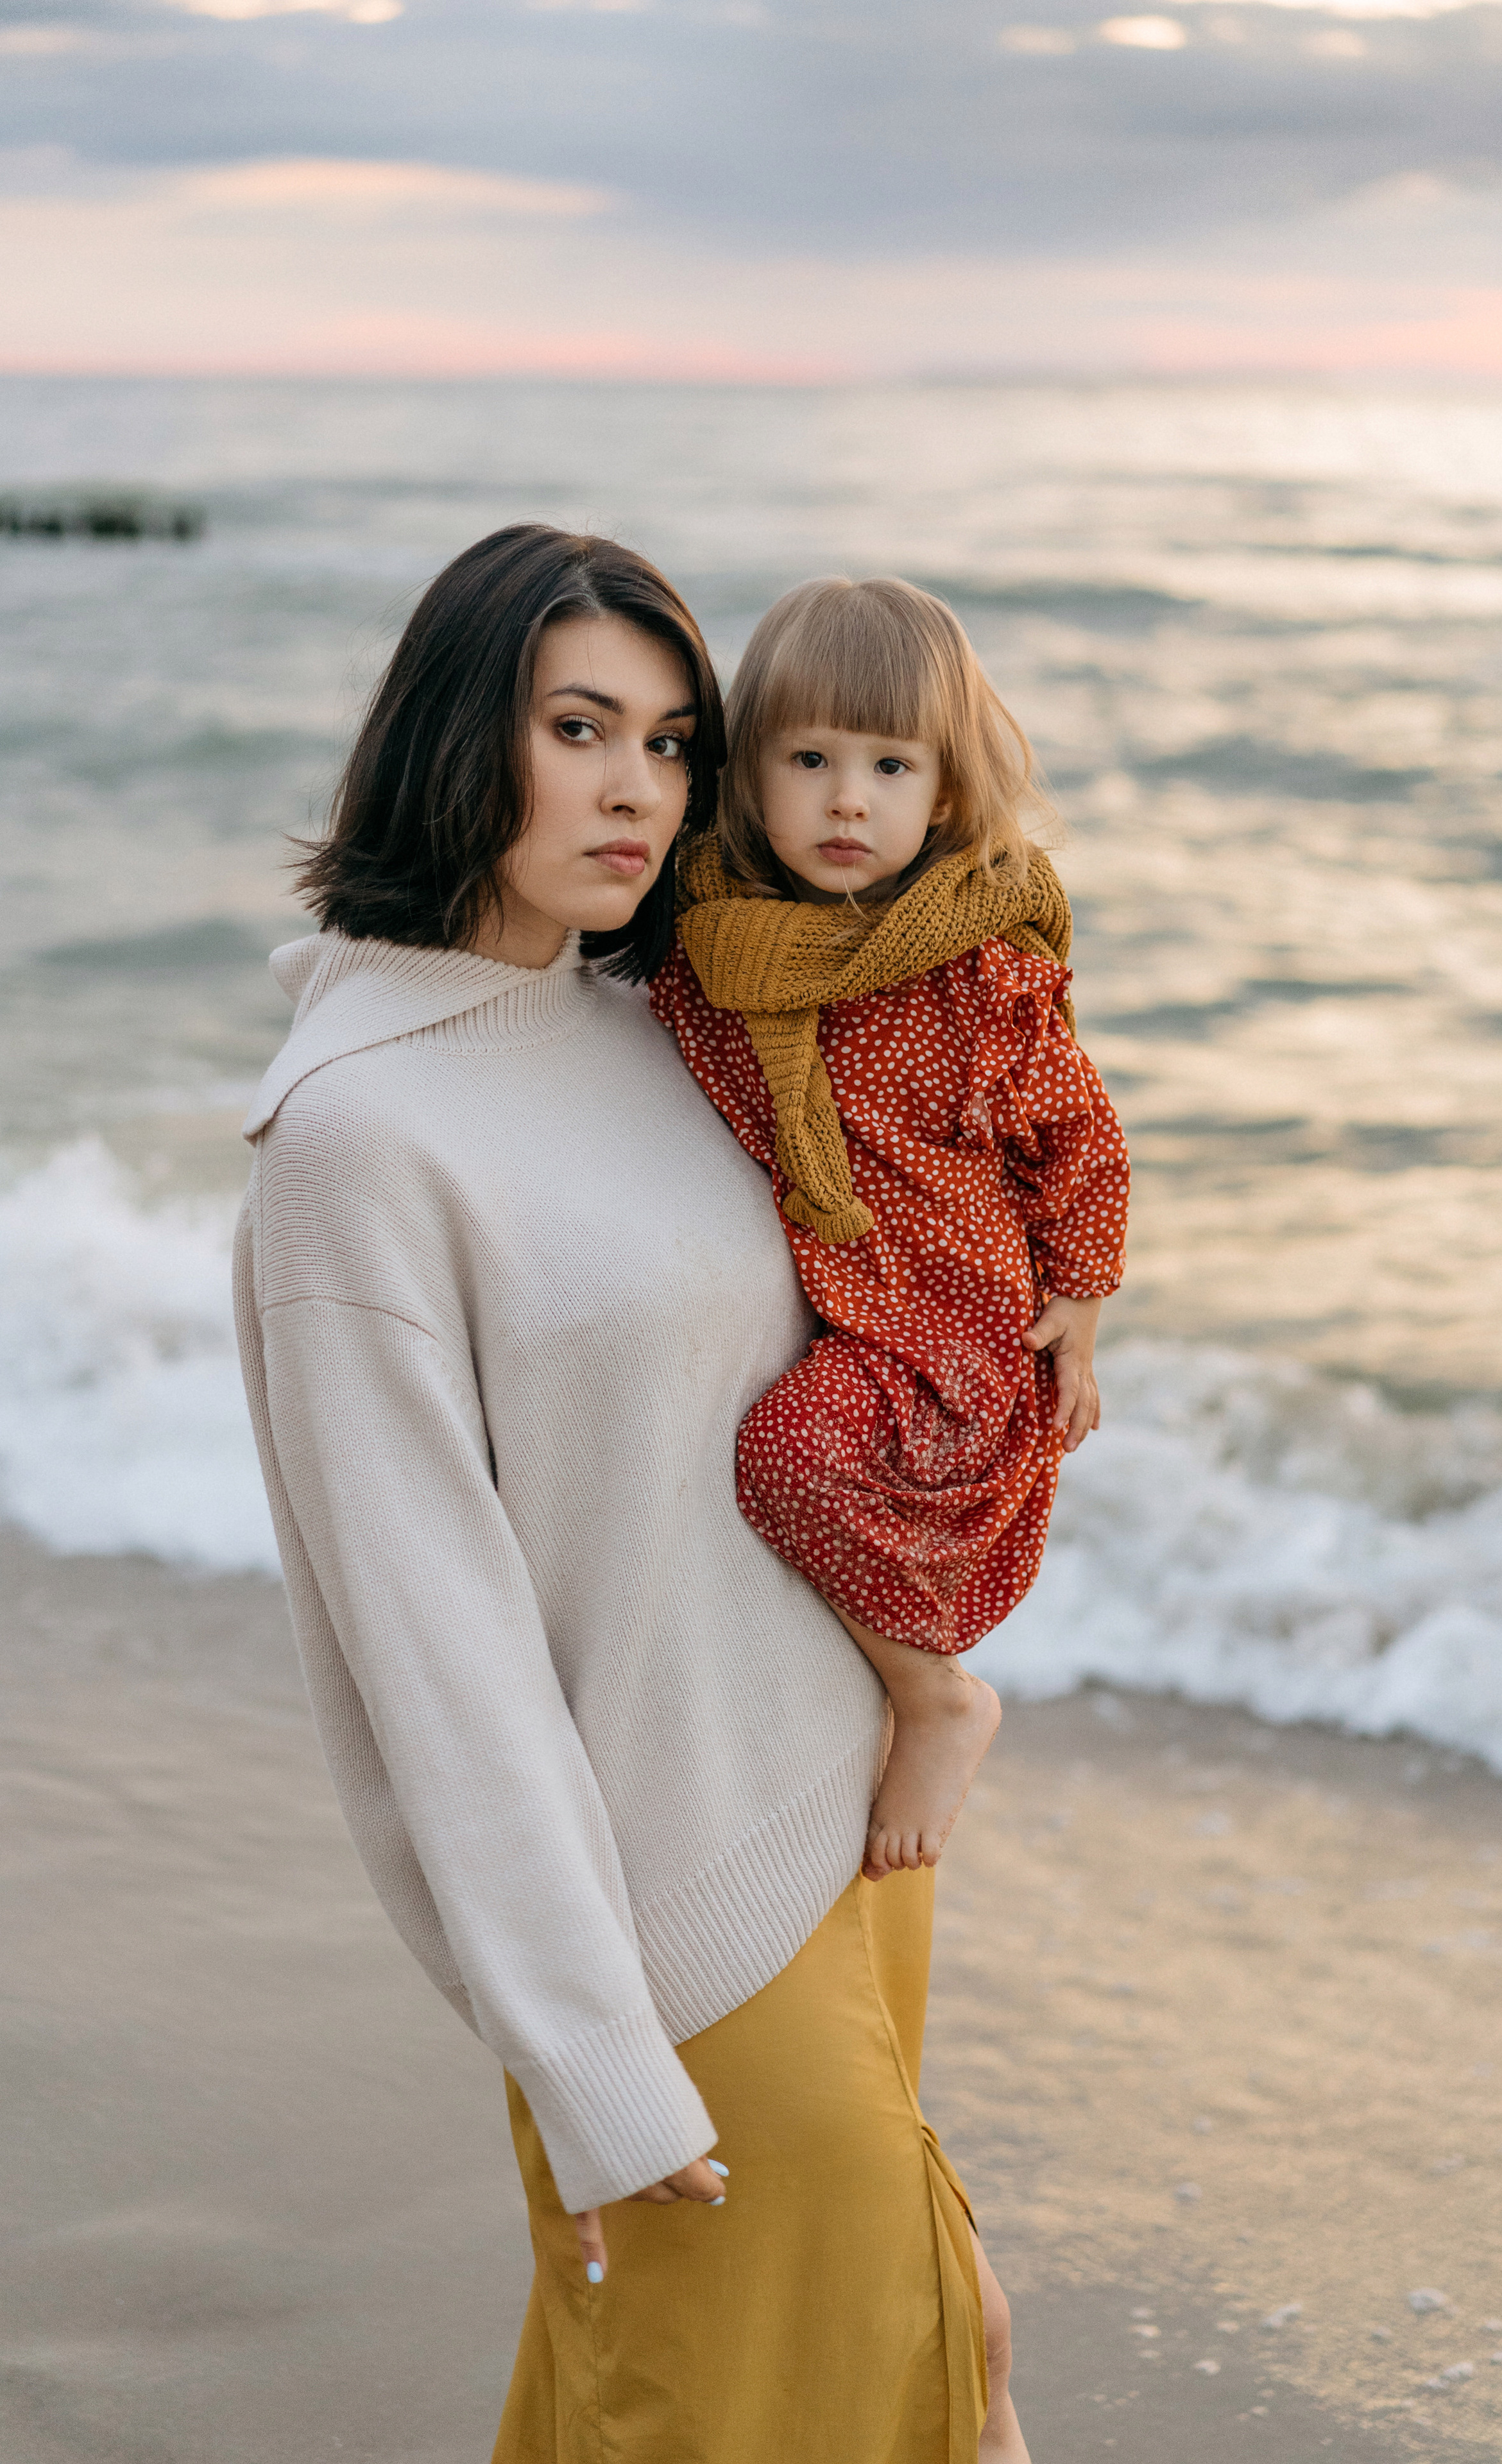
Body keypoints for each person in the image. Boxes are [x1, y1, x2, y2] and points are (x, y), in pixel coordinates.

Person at [234, 526, 1029, 2460]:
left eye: (675, 743)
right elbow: (436, 1662)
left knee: (752, 2390)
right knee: (812, 2400)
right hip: (656, 1904)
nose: (634, 790)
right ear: (451, 739)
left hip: (856, 1823)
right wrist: (583, 2049)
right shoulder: (356, 1140)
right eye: (578, 728)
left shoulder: (676, 1026)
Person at [651, 576, 1129, 1879]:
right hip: (850, 1301)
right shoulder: (720, 944)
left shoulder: (971, 964)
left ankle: (937, 1697)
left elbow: (1077, 1135)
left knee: (787, 1452)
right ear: (747, 778)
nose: (846, 798)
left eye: (885, 763)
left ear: (942, 788)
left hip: (953, 1314)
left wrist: (1078, 1309)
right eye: (807, 759)